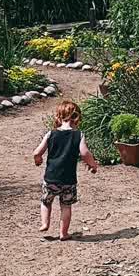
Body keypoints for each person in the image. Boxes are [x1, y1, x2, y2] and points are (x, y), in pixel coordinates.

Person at [33, 100, 98, 240]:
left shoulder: (51, 134)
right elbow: (85, 153)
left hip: (51, 178)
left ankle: (45, 223)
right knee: (66, 206)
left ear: (58, 116)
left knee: (46, 201)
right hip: (68, 180)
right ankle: (64, 233)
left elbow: (37, 152)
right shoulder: (78, 135)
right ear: (77, 117)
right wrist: (93, 165)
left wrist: (38, 159)